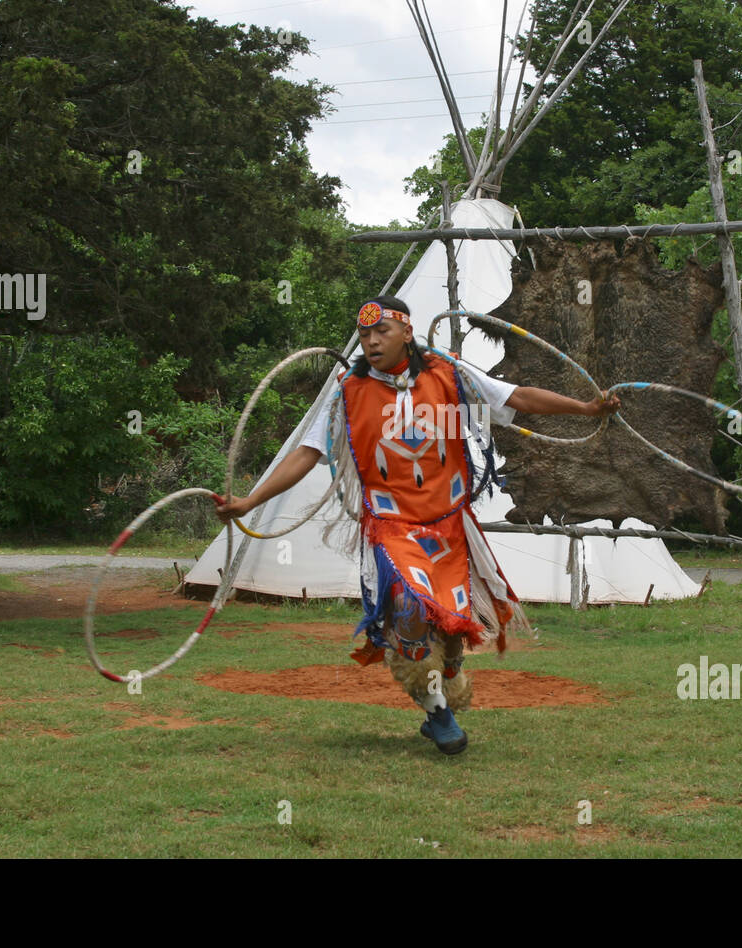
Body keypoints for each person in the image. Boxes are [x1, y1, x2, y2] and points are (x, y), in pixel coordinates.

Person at [215, 296, 619, 755]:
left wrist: (586, 410)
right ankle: (437, 712)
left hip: (448, 525)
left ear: (407, 333)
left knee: (450, 628)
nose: (370, 341)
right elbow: (308, 454)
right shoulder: (346, 392)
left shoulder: (448, 374)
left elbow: (517, 397)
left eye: (381, 331)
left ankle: (446, 681)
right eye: (365, 334)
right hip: (392, 527)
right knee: (408, 609)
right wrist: (249, 501)